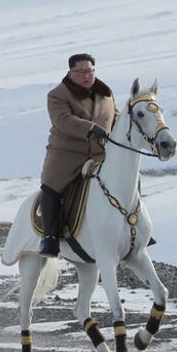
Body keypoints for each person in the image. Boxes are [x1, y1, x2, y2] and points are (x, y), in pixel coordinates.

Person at [38, 54, 116, 257]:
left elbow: (115, 117)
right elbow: (62, 120)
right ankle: (50, 238)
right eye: (81, 72)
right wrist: (89, 127)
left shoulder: (105, 93)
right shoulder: (57, 95)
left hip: (100, 153)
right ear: (70, 72)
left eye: (90, 71)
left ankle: (134, 224)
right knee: (50, 186)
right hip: (67, 154)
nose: (86, 75)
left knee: (128, 177)